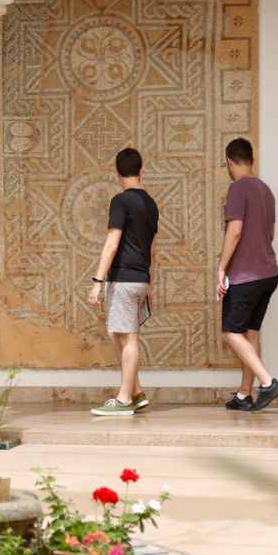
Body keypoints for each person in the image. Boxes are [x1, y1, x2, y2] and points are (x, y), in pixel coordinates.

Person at [87, 147, 159, 417]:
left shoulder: (121, 201)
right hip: (139, 278)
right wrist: (149, 284)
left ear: (116, 172)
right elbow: (152, 249)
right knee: (117, 333)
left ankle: (124, 399)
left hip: (124, 278)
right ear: (141, 170)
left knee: (127, 337)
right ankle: (137, 392)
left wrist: (97, 280)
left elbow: (111, 244)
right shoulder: (150, 204)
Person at [216, 137, 278, 412]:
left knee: (230, 333)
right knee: (250, 334)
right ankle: (244, 394)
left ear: (229, 162)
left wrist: (221, 267)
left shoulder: (237, 188)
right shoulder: (266, 191)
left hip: (247, 276)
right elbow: (271, 233)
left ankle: (268, 383)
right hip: (269, 273)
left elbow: (235, 230)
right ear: (251, 159)